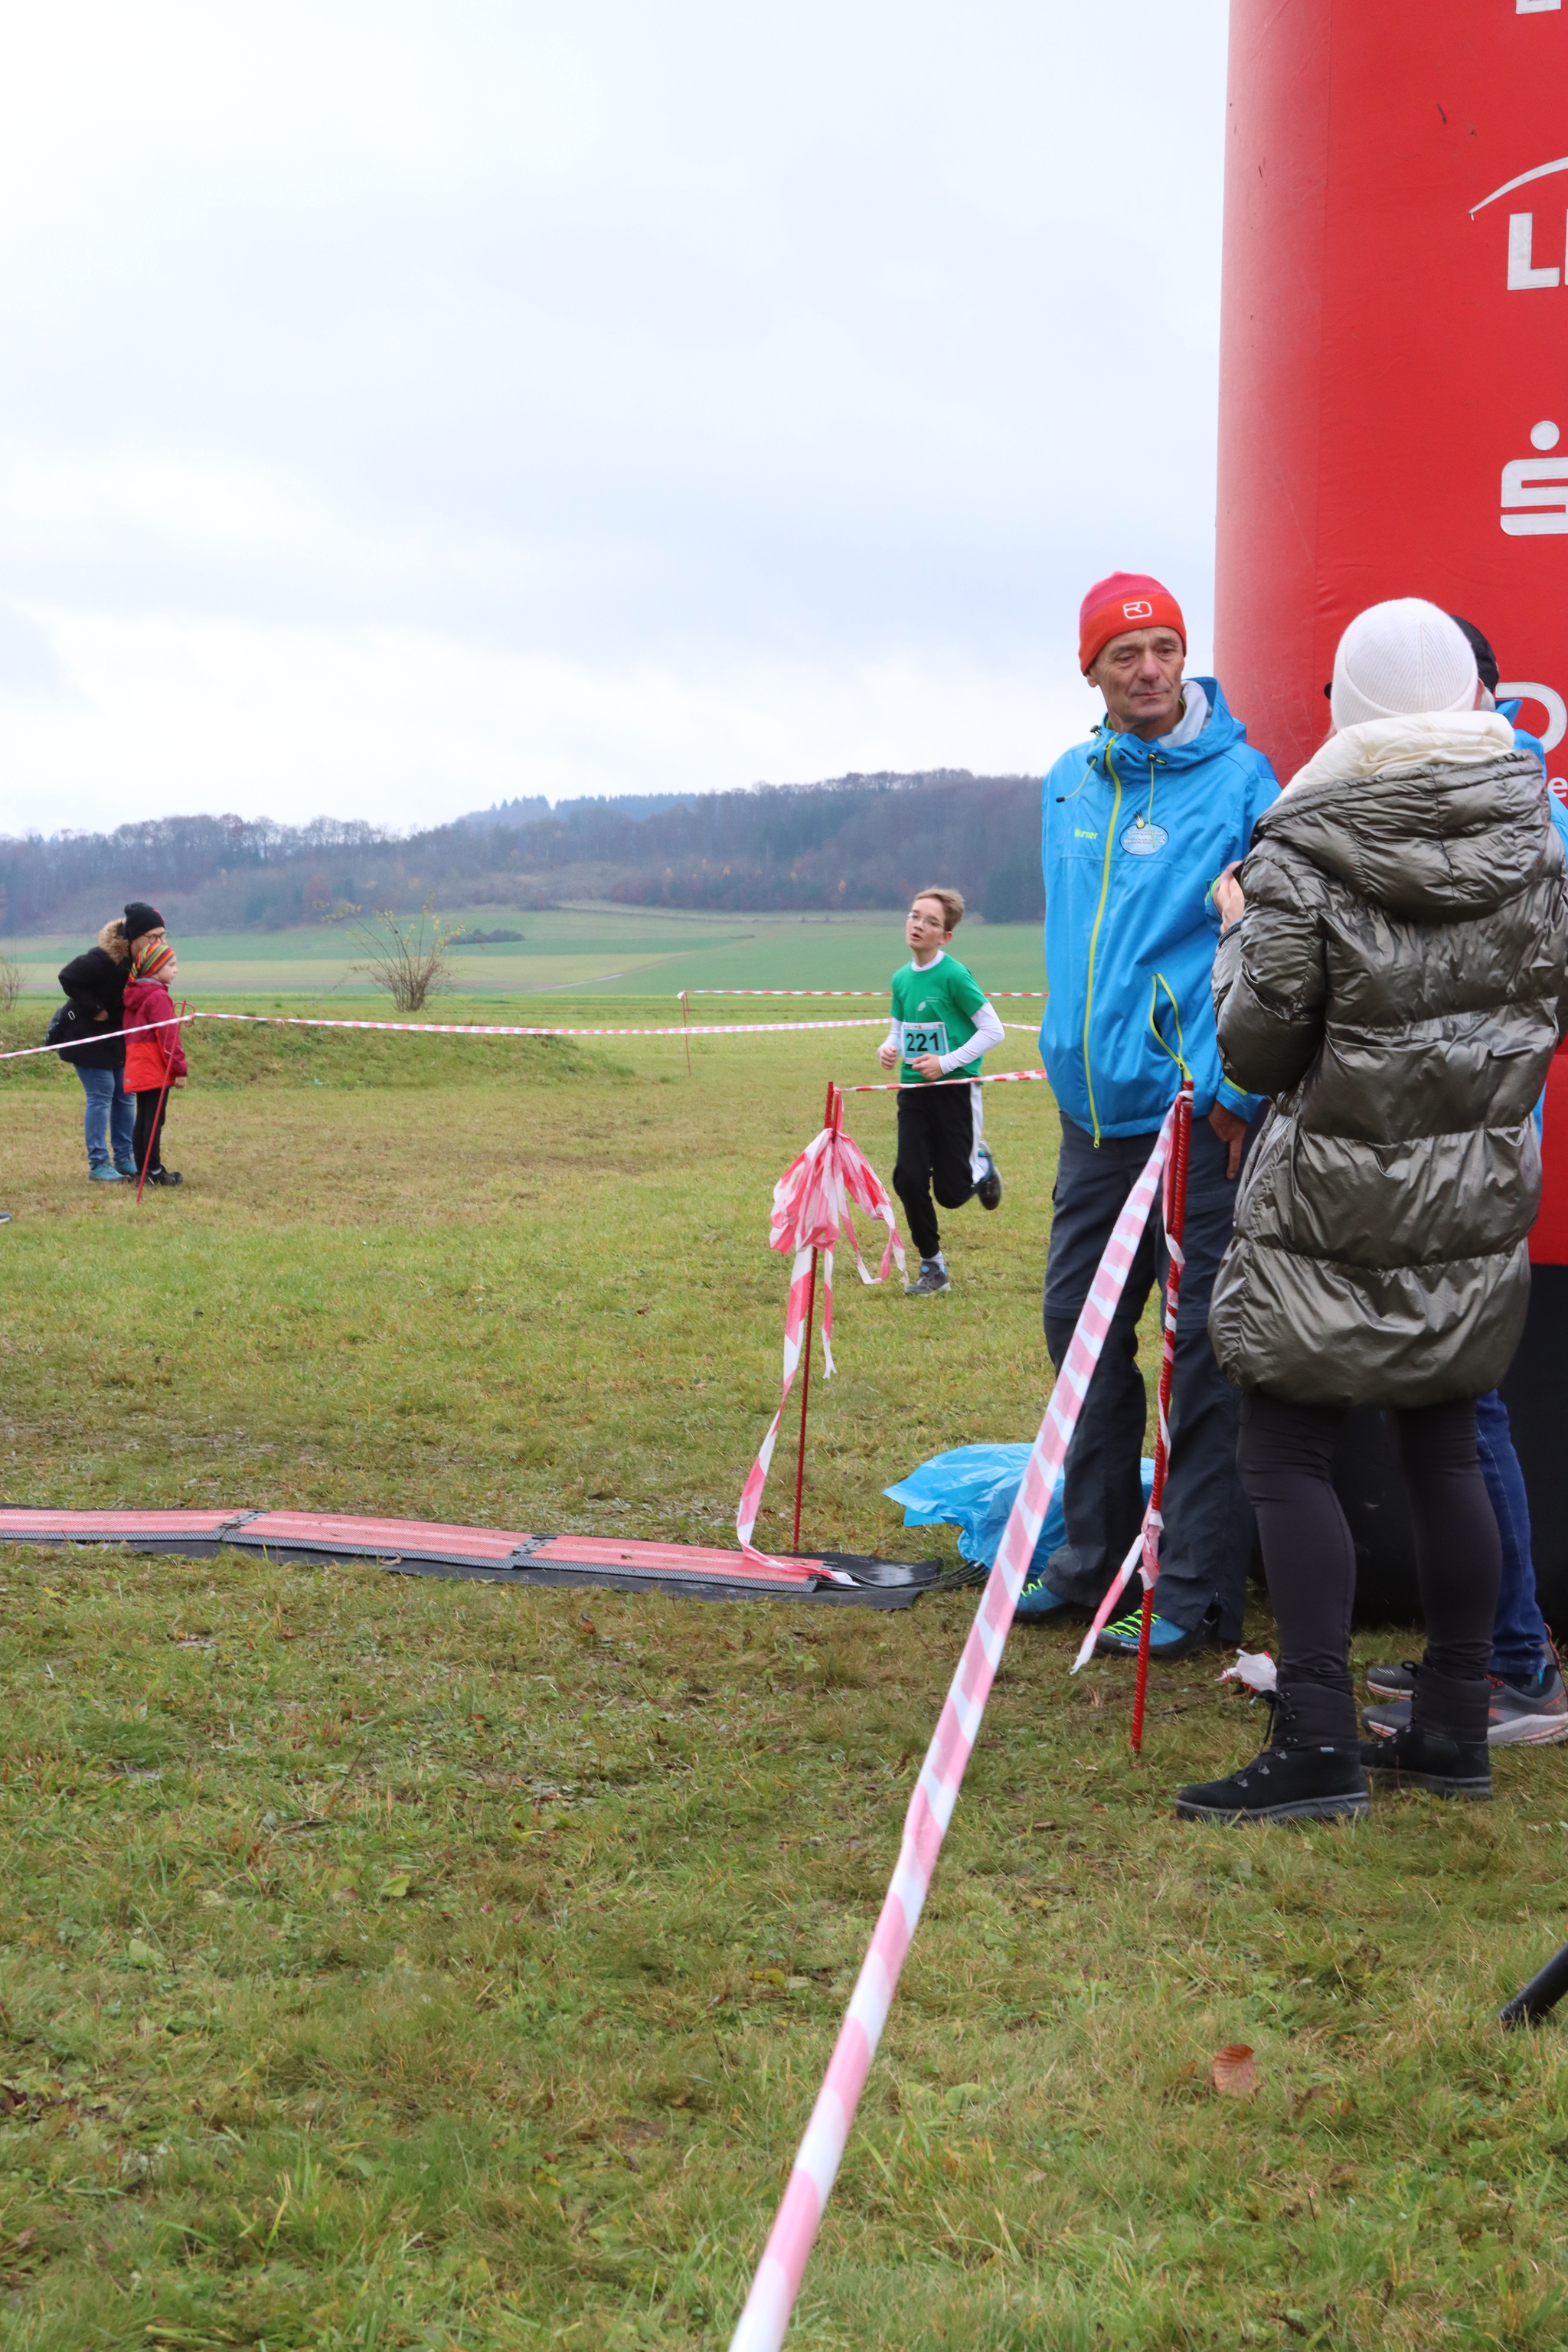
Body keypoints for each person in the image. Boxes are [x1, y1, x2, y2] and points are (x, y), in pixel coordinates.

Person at [1177, 599, 1568, 1824]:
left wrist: (1239, 933)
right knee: (1443, 1443)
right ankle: (1453, 1725)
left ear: (1347, 706)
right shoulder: (1537, 835)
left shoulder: (1304, 847)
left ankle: (1317, 1739)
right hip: (1474, 1186)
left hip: (1331, 1193)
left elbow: (1256, 1043)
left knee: (1285, 1449)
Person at [1029, 573, 1279, 1658]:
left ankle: (1193, 1591)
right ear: (1090, 669)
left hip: (1195, 1119)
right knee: (1077, 1335)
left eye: (1165, 649)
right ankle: (1093, 1559)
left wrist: (1235, 1089)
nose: (1149, 671)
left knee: (1201, 1350)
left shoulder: (1242, 783)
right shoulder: (1066, 783)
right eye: (1125, 655)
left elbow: (1278, 944)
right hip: (1091, 1120)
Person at [1360, 619, 1568, 1747]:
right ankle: (1477, 1647)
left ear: (1489, 694)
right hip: (1419, 1150)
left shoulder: (1528, 818)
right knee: (1436, 1408)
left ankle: (1515, 1664)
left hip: (1467, 1157)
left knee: (1460, 1411)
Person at [878, 888, 1004, 1296]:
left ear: (945, 936)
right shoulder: (901, 978)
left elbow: (993, 1031)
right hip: (914, 1092)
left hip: (955, 1091)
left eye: (930, 921)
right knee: (907, 1177)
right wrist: (889, 1047)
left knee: (951, 1194)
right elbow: (899, 1029)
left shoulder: (954, 976)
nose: (918, 925)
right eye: (914, 916)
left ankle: (981, 1165)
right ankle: (933, 1267)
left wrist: (945, 1063)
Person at [57, 918, 136, 1181]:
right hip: (86, 1036)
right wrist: (95, 1008)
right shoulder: (100, 959)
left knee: (125, 1094)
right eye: (152, 936)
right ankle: (99, 1163)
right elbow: (68, 977)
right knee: (101, 1095)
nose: (157, 941)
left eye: (161, 936)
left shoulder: (139, 963)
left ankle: (125, 1159)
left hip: (116, 1036)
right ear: (132, 939)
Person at [122, 934, 186, 1186]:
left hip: (138, 1063)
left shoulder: (134, 995)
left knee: (144, 1118)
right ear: (155, 968)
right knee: (154, 1120)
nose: (176, 970)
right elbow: (169, 1037)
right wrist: (179, 1069)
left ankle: (144, 1169)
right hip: (156, 1065)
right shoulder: (158, 997)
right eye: (171, 965)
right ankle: (154, 1171)